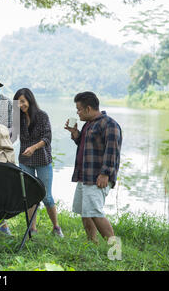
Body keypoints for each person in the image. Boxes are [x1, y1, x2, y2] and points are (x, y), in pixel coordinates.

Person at [64, 91, 122, 243]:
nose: (77, 112)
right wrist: (76, 134)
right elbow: (85, 146)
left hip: (97, 177)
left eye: (79, 109)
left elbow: (112, 151)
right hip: (85, 176)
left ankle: (115, 250)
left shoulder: (110, 124)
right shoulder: (88, 125)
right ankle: (92, 243)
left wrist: (105, 174)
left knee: (95, 212)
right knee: (85, 212)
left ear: (88, 109)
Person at [13, 88, 64, 237]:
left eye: (23, 101)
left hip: (42, 160)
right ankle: (32, 229)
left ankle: (56, 227)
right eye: (18, 103)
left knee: (46, 196)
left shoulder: (42, 116)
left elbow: (47, 137)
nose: (21, 105)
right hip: (25, 160)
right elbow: (13, 136)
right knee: (29, 196)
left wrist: (34, 148)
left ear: (30, 100)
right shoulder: (19, 119)